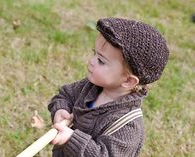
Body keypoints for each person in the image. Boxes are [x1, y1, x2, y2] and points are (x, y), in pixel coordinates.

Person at [46, 17, 169, 157]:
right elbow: (66, 95)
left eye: (101, 60)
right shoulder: (90, 87)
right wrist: (61, 108)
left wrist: (71, 139)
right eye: (94, 53)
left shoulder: (128, 127)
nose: (91, 61)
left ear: (128, 81)